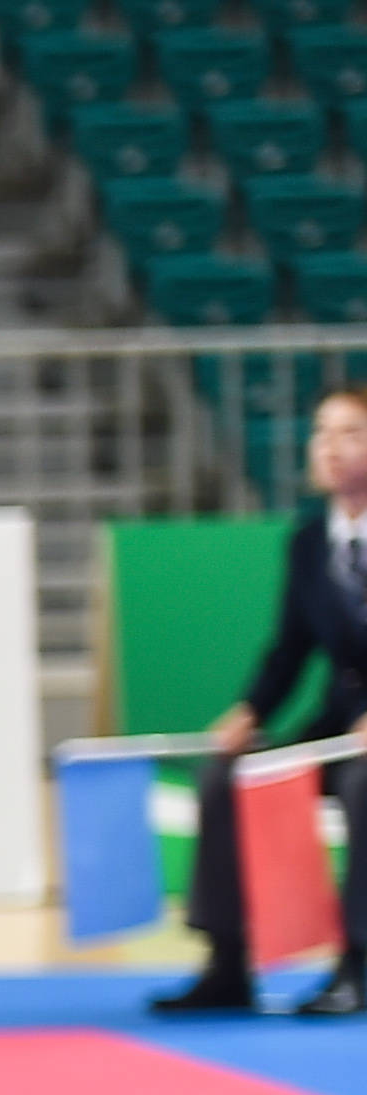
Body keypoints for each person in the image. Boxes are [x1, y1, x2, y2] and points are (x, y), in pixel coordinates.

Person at [153, 382, 367, 1019]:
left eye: (350, 433)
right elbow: (291, 650)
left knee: (364, 786)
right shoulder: (307, 542)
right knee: (230, 777)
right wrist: (250, 712)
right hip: (337, 724)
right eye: (320, 432)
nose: (329, 447)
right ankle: (227, 960)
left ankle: (357, 961)